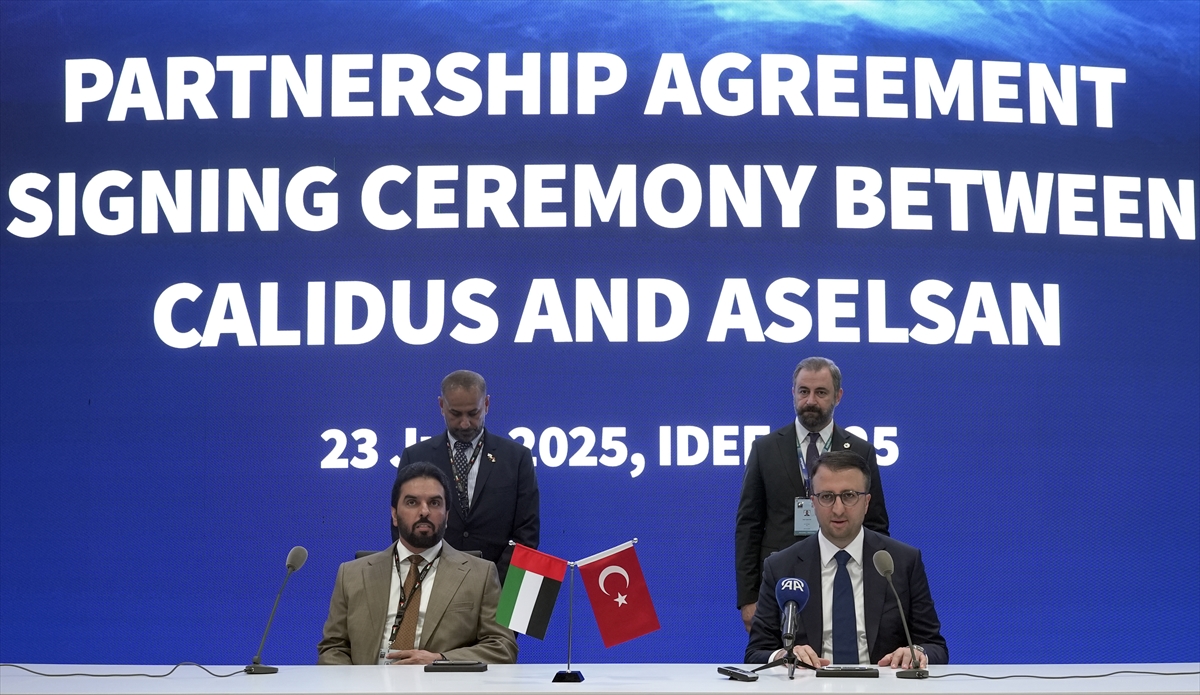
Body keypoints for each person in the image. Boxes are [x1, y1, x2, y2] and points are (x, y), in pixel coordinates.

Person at [745, 451, 946, 669]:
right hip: (809, 683)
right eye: (827, 497)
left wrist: (916, 652)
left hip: (883, 684)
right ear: (813, 503)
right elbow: (756, 653)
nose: (838, 509)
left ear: (866, 502)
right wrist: (784, 655)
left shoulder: (902, 561)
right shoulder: (781, 567)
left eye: (849, 496)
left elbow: (935, 647)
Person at [735, 356, 890, 631]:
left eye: (821, 393)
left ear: (838, 396)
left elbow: (876, 525)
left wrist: (876, 590)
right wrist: (748, 598)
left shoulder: (860, 451)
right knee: (780, 655)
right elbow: (749, 526)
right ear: (793, 393)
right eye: (804, 391)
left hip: (844, 579)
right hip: (780, 582)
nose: (810, 401)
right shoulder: (765, 449)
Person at [319, 462, 518, 665]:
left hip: (441, 681)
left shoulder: (480, 574)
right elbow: (333, 648)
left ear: (447, 515)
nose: (424, 511)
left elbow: (502, 647)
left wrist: (440, 661)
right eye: (412, 502)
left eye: (435, 503)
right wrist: (356, 683)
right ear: (394, 514)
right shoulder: (351, 574)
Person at [393, 370, 539, 581]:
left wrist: (493, 581)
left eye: (473, 413)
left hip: (497, 584)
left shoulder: (517, 459)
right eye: (455, 414)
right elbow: (402, 524)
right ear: (441, 405)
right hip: (431, 582)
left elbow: (527, 533)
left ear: (486, 404)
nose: (464, 423)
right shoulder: (415, 456)